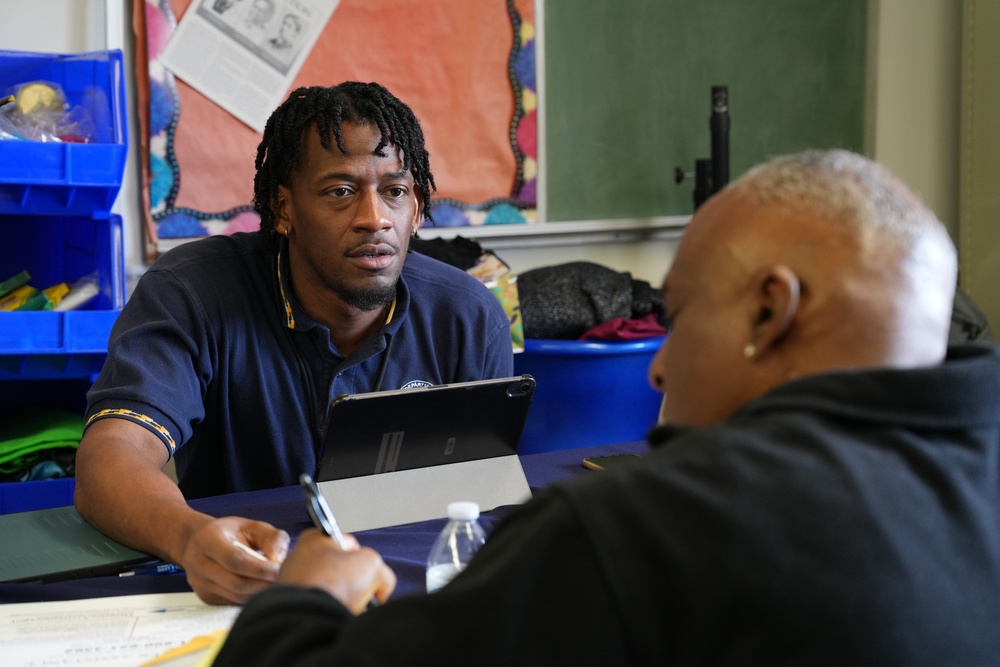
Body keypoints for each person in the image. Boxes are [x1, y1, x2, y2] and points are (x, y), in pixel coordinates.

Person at [213, 149, 1000, 665]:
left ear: (769, 312)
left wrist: (304, 596)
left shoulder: (648, 524)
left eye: (680, 320)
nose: (658, 367)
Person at [74, 82, 514, 605]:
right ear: (283, 209)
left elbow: (482, 498)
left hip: (409, 600)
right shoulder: (192, 292)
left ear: (416, 207)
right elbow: (112, 455)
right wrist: (189, 538)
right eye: (340, 191)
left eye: (394, 191)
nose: (374, 218)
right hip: (249, 592)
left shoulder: (468, 315)